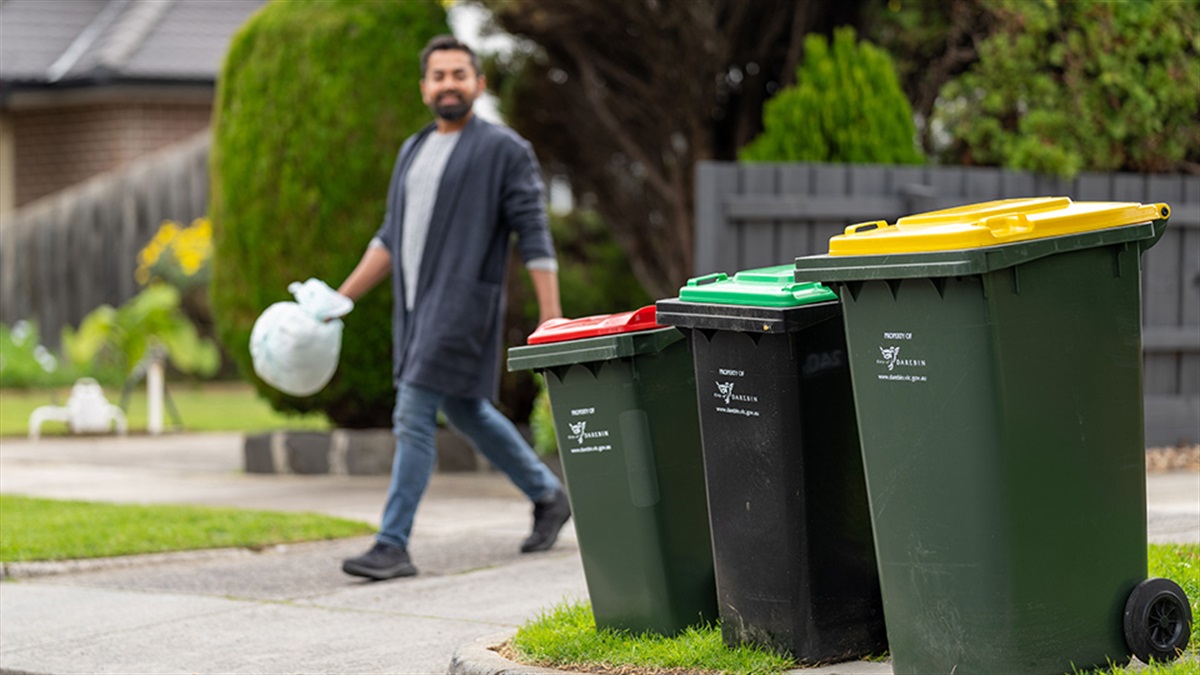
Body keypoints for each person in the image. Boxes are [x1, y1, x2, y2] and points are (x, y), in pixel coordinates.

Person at [334, 35, 571, 581]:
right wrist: (340, 299)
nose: (448, 84)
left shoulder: (504, 149)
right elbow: (390, 239)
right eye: (438, 76)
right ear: (424, 88)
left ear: (478, 84)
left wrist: (550, 313)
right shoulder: (413, 149)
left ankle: (392, 544)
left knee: (413, 410)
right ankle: (548, 495)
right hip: (415, 310)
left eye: (459, 75)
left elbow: (534, 234)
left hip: (461, 306)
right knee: (466, 409)